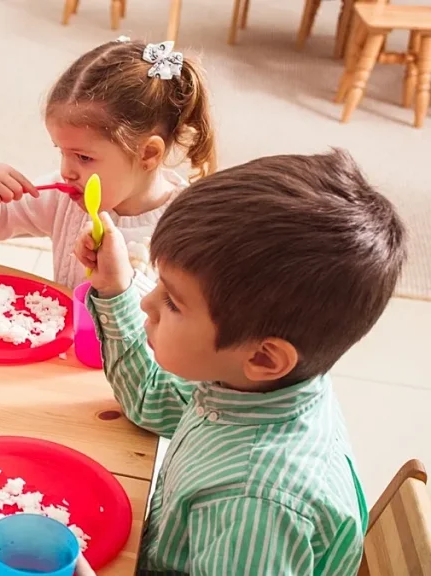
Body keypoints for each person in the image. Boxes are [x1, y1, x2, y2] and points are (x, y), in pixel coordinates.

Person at [74, 150, 404, 574]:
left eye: (173, 302)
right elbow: (151, 399)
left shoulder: (254, 504)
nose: (147, 303)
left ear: (265, 357)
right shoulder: (253, 383)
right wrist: (115, 288)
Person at [0, 38, 215, 290]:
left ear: (147, 153)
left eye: (84, 157)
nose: (66, 171)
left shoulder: (188, 227)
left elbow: (184, 316)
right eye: (61, 152)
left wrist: (120, 285)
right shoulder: (65, 200)